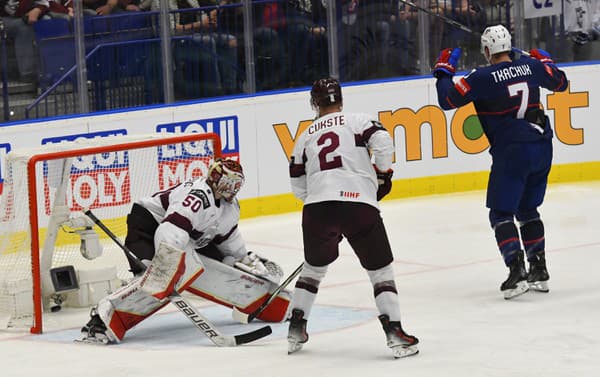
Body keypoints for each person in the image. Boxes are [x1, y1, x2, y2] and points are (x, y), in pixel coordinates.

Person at [432, 25, 568, 299]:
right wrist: (546, 61)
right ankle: (539, 270)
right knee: (528, 209)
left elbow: (447, 100)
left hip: (512, 149)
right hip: (542, 145)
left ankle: (517, 271)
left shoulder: (482, 76)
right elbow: (561, 83)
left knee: (501, 213)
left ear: (486, 51)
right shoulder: (530, 66)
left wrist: (443, 71)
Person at [287, 77, 419, 359]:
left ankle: (295, 328)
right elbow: (382, 142)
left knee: (313, 269)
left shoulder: (305, 135)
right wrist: (383, 174)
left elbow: (298, 185)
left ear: (314, 103)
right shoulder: (358, 120)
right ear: (341, 100)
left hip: (316, 209)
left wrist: (325, 202)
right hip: (358, 205)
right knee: (380, 272)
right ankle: (395, 333)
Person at [79, 158, 275, 344]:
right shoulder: (198, 196)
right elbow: (171, 230)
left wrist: (244, 258)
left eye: (236, 184)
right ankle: (101, 319)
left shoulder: (230, 208)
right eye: (228, 182)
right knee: (149, 279)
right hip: (147, 228)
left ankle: (260, 297)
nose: (232, 188)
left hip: (186, 237)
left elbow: (228, 239)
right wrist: (167, 264)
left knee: (226, 261)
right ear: (215, 178)